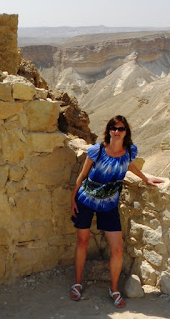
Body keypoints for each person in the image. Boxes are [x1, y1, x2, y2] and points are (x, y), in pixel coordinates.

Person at [69, 115, 163, 308]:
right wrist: (73, 199)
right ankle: (77, 283)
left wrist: (145, 179)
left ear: (126, 132)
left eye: (121, 129)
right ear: (109, 130)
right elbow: (82, 175)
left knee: (117, 249)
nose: (117, 132)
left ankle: (114, 289)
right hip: (86, 199)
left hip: (110, 203)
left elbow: (128, 165)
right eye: (114, 128)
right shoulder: (97, 150)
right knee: (83, 240)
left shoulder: (129, 151)